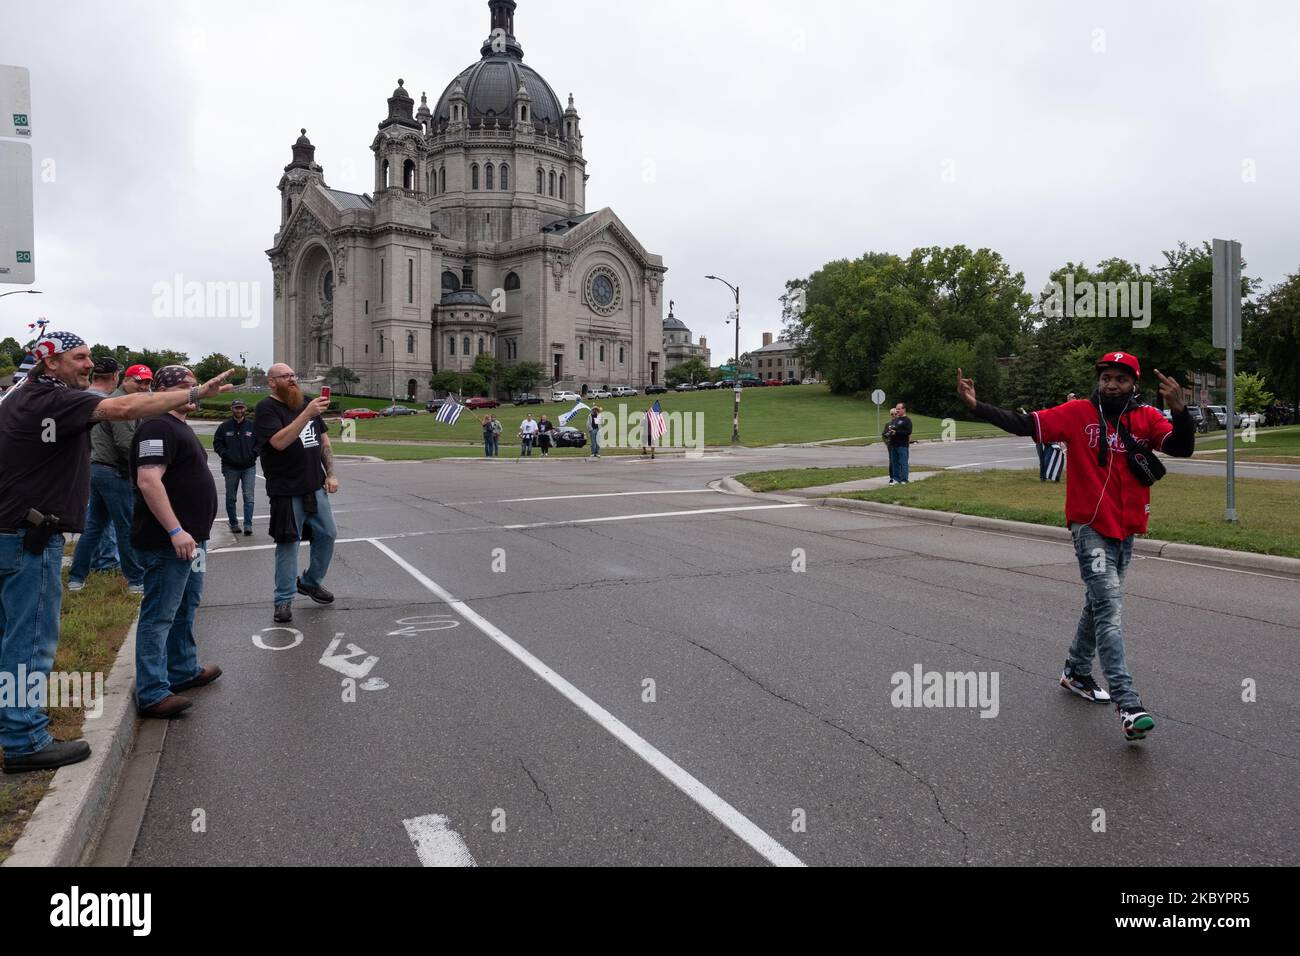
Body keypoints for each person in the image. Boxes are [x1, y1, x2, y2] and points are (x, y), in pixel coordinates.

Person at [0, 333, 232, 772]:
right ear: (50, 364)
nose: (90, 365)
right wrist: (196, 391)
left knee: (11, 638)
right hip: (29, 538)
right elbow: (123, 407)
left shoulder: (20, 397)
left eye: (89, 356)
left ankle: (15, 726)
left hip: (13, 533)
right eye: (79, 357)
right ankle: (23, 739)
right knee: (29, 643)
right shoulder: (53, 398)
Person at [957, 352, 1194, 742]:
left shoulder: (1146, 418)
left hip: (1127, 528)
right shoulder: (1078, 412)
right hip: (1089, 526)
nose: (1112, 385)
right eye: (1106, 378)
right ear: (1098, 381)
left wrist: (1180, 411)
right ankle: (1129, 704)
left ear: (1133, 384)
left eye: (1120, 379)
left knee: (1098, 602)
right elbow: (1024, 424)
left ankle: (1076, 672)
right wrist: (976, 406)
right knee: (1110, 607)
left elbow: (1181, 449)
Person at [130, 366, 223, 718]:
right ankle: (152, 692)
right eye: (187, 387)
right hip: (168, 542)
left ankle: (182, 670)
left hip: (193, 541)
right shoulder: (156, 425)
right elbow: (149, 480)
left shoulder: (177, 426)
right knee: (160, 615)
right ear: (167, 391)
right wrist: (174, 530)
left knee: (186, 606)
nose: (195, 392)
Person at [255, 365, 337, 624]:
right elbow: (278, 442)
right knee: (288, 543)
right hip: (286, 490)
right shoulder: (266, 408)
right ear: (272, 382)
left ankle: (310, 582)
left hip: (314, 486)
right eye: (285, 376)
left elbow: (324, 441)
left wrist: (331, 473)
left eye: (293, 375)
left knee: (327, 534)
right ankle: (283, 600)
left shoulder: (305, 403)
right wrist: (306, 414)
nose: (292, 379)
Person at [68, 358, 145, 593]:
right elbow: (125, 443)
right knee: (126, 526)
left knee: (94, 526)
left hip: (96, 468)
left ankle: (76, 577)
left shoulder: (101, 399)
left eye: (147, 382)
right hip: (113, 470)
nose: (144, 386)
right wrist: (144, 463)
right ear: (120, 378)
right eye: (140, 381)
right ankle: (136, 580)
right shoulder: (118, 402)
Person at [213, 400, 258, 536]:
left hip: (249, 467)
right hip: (230, 468)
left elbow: (260, 443)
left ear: (245, 409)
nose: (239, 411)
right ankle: (233, 524)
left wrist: (254, 454)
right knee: (231, 497)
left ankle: (248, 525)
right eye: (236, 408)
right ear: (232, 409)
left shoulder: (252, 426)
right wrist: (225, 454)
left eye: (241, 408)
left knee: (248, 497)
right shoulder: (224, 427)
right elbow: (217, 443)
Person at [886, 404, 912, 484]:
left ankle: (904, 479)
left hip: (902, 445)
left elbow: (908, 432)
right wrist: (889, 432)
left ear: (904, 409)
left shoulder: (907, 420)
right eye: (897, 409)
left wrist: (896, 432)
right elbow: (892, 428)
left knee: (903, 462)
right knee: (894, 462)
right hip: (893, 444)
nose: (897, 411)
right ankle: (896, 478)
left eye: (899, 409)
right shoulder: (896, 420)